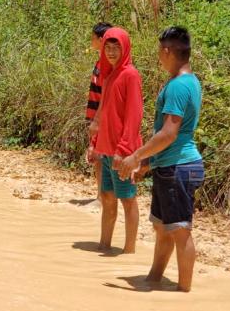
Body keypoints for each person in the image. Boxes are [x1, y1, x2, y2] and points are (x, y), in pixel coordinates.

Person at [116, 27, 204, 292]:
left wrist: (135, 157)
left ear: (167, 51)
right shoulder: (190, 81)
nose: (158, 56)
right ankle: (154, 279)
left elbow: (168, 134)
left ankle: (184, 291)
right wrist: (147, 164)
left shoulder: (178, 86)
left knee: (179, 230)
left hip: (178, 166)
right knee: (164, 229)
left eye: (159, 51)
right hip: (171, 166)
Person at [89, 27, 143, 254]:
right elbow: (103, 110)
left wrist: (125, 150)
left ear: (125, 48)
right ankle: (104, 244)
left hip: (123, 150)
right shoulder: (109, 74)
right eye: (107, 48)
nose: (111, 52)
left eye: (116, 48)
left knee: (127, 199)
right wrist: (94, 141)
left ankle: (129, 250)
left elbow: (134, 115)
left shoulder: (130, 75)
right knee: (108, 198)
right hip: (106, 147)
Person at [85, 22, 112, 199]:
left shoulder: (107, 64)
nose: (91, 41)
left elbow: (106, 93)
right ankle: (101, 195)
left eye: (93, 37)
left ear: (101, 40)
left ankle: (102, 197)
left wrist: (97, 120)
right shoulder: (100, 62)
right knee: (97, 155)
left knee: (100, 156)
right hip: (96, 116)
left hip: (100, 117)